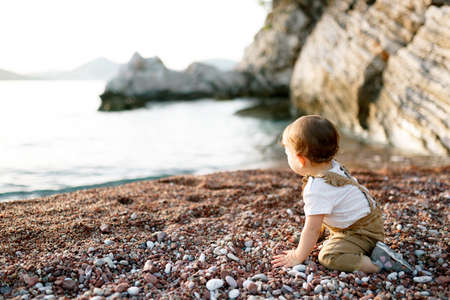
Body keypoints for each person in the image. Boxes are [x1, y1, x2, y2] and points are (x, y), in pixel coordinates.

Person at [271, 115, 412, 273]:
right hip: (370, 220)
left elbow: (312, 228)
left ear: (300, 160)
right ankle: (322, 239)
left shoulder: (317, 188)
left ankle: (379, 263)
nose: (286, 156)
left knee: (328, 256)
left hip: (360, 232)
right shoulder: (332, 166)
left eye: (287, 153)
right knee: (318, 222)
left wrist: (298, 255)